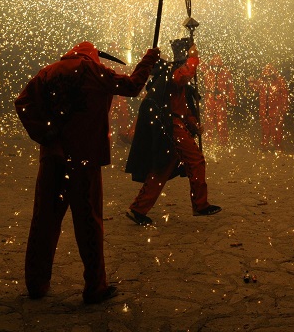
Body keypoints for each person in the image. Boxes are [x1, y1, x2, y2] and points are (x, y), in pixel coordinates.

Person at [15, 41, 159, 303]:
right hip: (83, 160)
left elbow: (22, 102)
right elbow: (132, 86)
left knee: (44, 220)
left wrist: (45, 133)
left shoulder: (47, 72)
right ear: (92, 57)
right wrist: (149, 59)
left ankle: (36, 284)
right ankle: (95, 287)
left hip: (52, 159)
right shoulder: (91, 71)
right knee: (89, 223)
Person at [125, 38, 222, 226]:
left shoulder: (173, 76)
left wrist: (193, 125)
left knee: (162, 168)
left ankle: (138, 209)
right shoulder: (173, 73)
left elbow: (182, 107)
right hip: (171, 126)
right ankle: (200, 205)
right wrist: (193, 58)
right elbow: (185, 76)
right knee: (196, 160)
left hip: (174, 124)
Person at [248, 64, 289, 151]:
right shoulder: (262, 81)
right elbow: (256, 87)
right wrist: (251, 82)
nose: (268, 77)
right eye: (267, 76)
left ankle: (277, 146)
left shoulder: (280, 81)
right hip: (264, 109)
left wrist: (283, 108)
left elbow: (285, 95)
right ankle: (264, 145)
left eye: (270, 76)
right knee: (265, 128)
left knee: (276, 129)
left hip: (276, 110)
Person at [203, 54, 237, 146]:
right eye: (214, 65)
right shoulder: (207, 70)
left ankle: (223, 141)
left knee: (221, 121)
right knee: (208, 120)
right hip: (209, 97)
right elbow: (199, 63)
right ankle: (208, 140)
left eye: (218, 65)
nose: (216, 67)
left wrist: (232, 100)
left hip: (221, 99)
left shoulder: (226, 72)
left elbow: (230, 87)